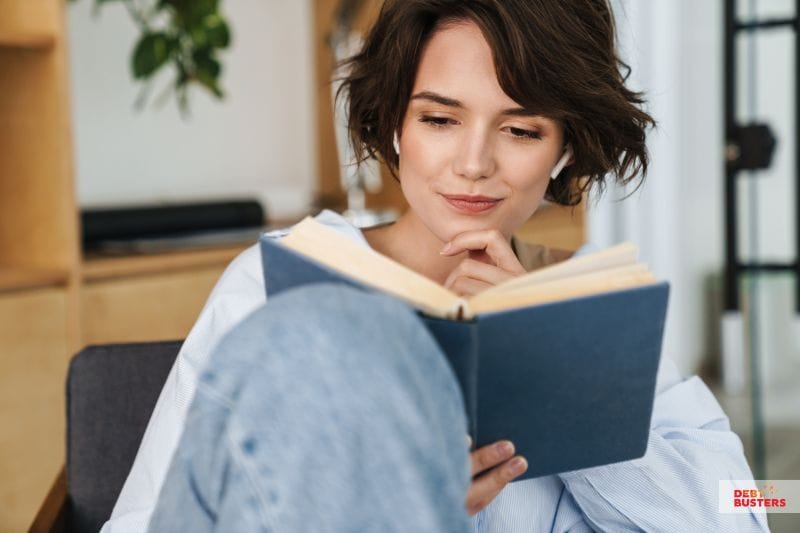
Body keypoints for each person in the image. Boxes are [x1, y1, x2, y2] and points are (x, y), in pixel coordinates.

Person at [103, 1, 769, 531]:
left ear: (567, 146)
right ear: (395, 121)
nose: (474, 164)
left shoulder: (596, 305)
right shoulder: (270, 287)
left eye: (521, 129)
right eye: (441, 119)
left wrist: (559, 374)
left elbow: (742, 511)